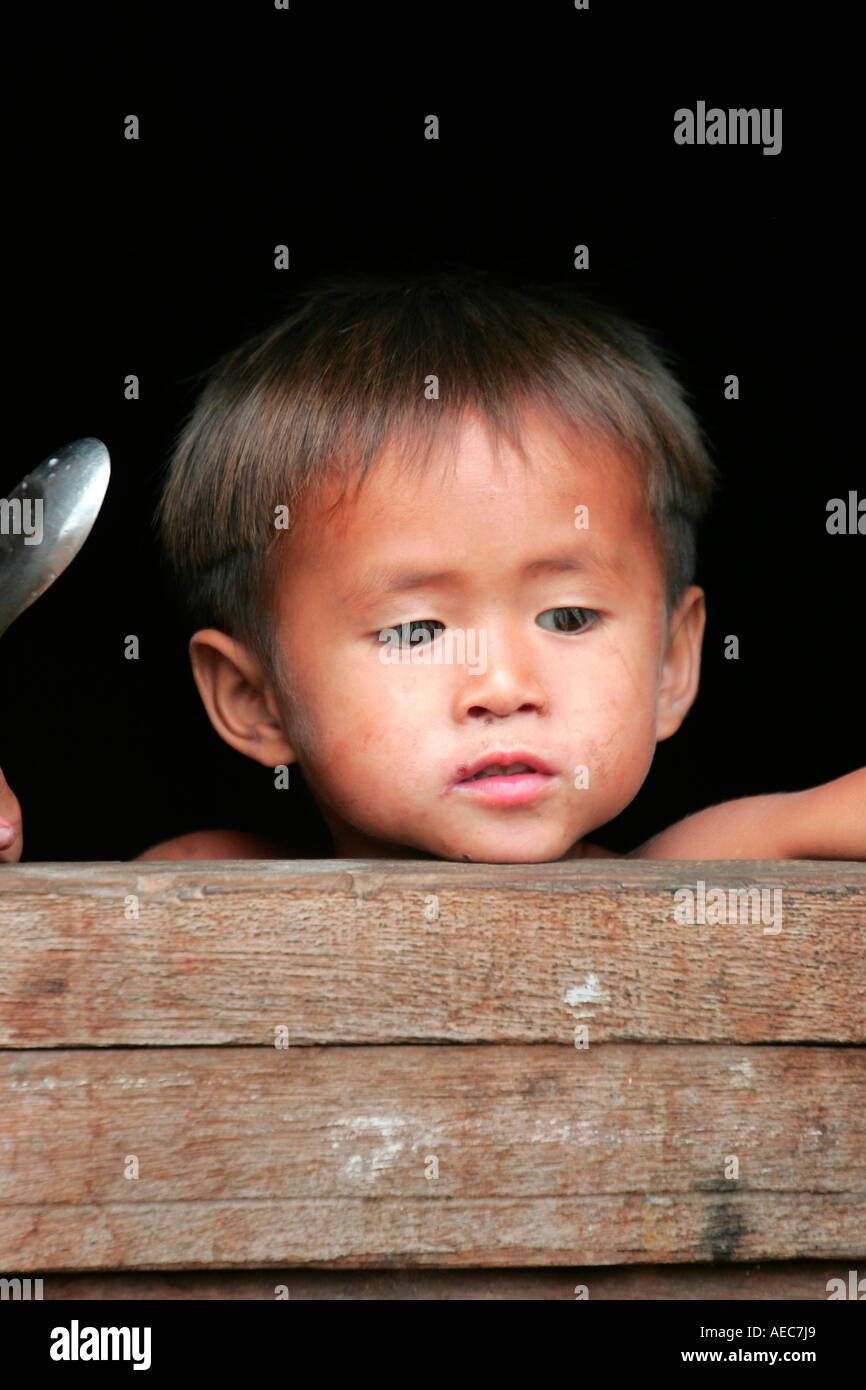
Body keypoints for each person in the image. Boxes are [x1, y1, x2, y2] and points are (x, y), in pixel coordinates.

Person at [2, 270, 863, 863]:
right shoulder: (198, 882)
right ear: (253, 700)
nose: (500, 686)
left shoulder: (698, 876)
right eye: (416, 629)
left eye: (568, 617)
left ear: (673, 664)